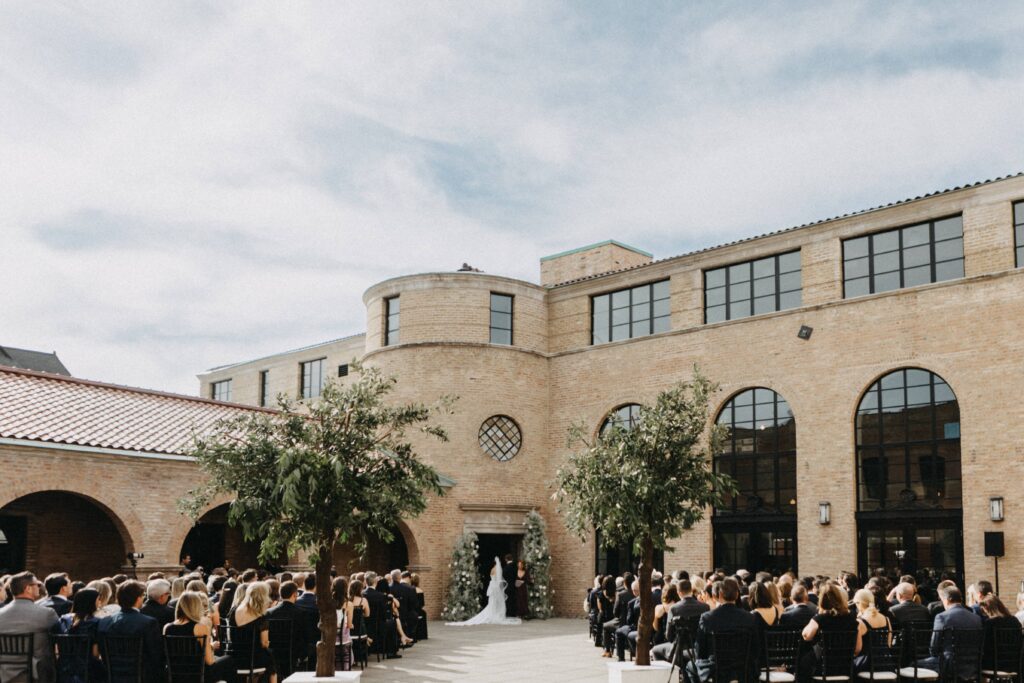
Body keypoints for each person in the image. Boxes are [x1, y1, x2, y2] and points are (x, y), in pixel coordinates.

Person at [690, 578, 757, 683]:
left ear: (720, 595)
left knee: (690, 666)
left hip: (716, 669)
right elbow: (755, 647)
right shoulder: (750, 617)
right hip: (743, 669)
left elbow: (700, 649)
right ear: (737, 595)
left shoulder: (707, 617)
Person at [97, 580, 164, 683]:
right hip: (141, 676)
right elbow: (155, 654)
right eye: (142, 596)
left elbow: (103, 652)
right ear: (138, 599)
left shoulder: (105, 622)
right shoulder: (148, 622)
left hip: (113, 674)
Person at [0, 572, 60, 683]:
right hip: (36, 674)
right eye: (37, 584)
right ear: (28, 588)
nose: (39, 587)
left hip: (4, 674)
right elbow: (60, 636)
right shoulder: (46, 614)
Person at [164, 591, 235, 683]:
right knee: (229, 660)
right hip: (198, 675)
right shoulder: (200, 627)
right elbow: (209, 661)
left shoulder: (167, 627)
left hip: (175, 675)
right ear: (197, 607)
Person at [913, 585, 981, 678]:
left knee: (913, 664)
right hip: (973, 664)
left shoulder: (942, 617)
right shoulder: (976, 618)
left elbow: (934, 647)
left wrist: (935, 655)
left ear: (947, 599)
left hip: (948, 665)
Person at [799, 582, 860, 683]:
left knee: (803, 662)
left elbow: (807, 636)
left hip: (823, 667)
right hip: (845, 666)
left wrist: (814, 619)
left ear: (822, 600)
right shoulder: (852, 618)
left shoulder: (820, 618)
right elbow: (857, 649)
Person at [445, 556, 522, 627]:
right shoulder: (499, 570)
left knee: (492, 601)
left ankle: (493, 613)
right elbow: (499, 580)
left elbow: (492, 578)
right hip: (495, 587)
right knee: (497, 601)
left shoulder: (492, 569)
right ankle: (495, 614)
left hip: (492, 586)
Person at [227, 581, 277, 683]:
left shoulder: (234, 610)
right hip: (253, 658)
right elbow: (264, 643)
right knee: (272, 660)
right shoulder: (261, 617)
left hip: (235, 655)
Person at [652, 578, 708, 664]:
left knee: (655, 650)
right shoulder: (705, 607)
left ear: (679, 593)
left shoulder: (674, 609)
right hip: (699, 645)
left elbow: (669, 636)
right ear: (691, 591)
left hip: (680, 647)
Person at [56, 587, 105, 683]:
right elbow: (95, 654)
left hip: (63, 667)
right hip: (88, 669)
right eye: (98, 599)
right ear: (92, 602)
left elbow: (57, 648)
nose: (100, 602)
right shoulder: (96, 623)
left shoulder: (63, 620)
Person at [267, 580, 314, 671]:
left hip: (274, 652)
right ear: (295, 594)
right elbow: (307, 636)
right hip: (294, 653)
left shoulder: (269, 613)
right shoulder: (301, 613)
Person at [852, 588, 891, 673]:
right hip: (886, 663)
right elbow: (888, 644)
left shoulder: (860, 622)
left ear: (859, 603)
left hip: (867, 664)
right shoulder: (886, 619)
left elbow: (857, 650)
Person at [979, 594, 1019, 673]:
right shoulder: (1015, 621)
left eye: (985, 611)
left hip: (995, 664)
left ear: (988, 609)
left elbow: (985, 646)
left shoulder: (990, 623)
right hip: (1015, 663)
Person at [410, 573, 428, 640]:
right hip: (419, 610)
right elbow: (422, 604)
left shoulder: (410, 589)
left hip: (412, 610)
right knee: (423, 613)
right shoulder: (420, 590)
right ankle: (423, 635)